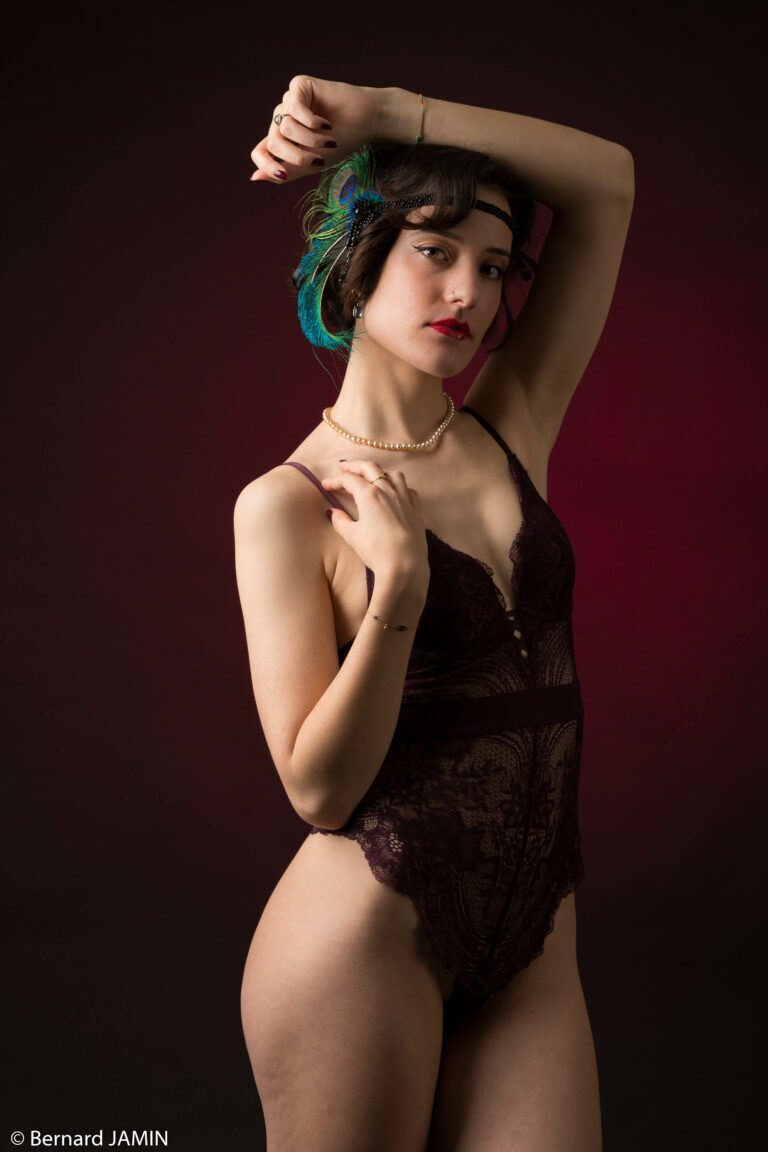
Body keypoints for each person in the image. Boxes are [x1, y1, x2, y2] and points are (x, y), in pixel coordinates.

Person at [234, 75, 634, 1152]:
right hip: (362, 942)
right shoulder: (287, 504)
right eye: (435, 249)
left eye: (494, 266)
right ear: (358, 261)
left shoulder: (511, 426)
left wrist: (387, 115)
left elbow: (607, 182)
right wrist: (399, 595)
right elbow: (319, 790)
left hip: (537, 939)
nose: (468, 289)